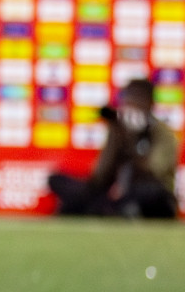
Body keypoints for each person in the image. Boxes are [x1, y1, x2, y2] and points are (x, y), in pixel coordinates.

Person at [49, 79, 179, 220]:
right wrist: (119, 134)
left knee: (151, 195)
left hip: (147, 192)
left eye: (137, 100)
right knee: (59, 182)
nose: (132, 106)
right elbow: (100, 174)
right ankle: (109, 209)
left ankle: (117, 210)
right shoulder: (118, 128)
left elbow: (155, 171)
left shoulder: (162, 133)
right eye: (129, 100)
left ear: (149, 104)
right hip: (113, 192)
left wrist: (135, 140)